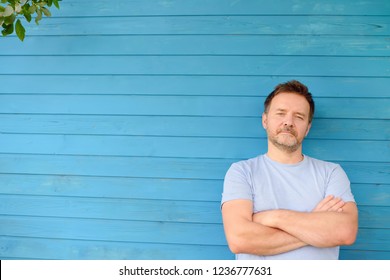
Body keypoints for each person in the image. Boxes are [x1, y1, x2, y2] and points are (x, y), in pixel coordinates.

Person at [221, 80, 358, 260]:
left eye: (299, 116)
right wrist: (315, 226)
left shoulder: (331, 173)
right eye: (281, 113)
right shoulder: (242, 172)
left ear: (307, 128)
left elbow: (345, 231)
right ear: (265, 120)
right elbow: (239, 239)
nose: (289, 122)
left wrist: (273, 218)